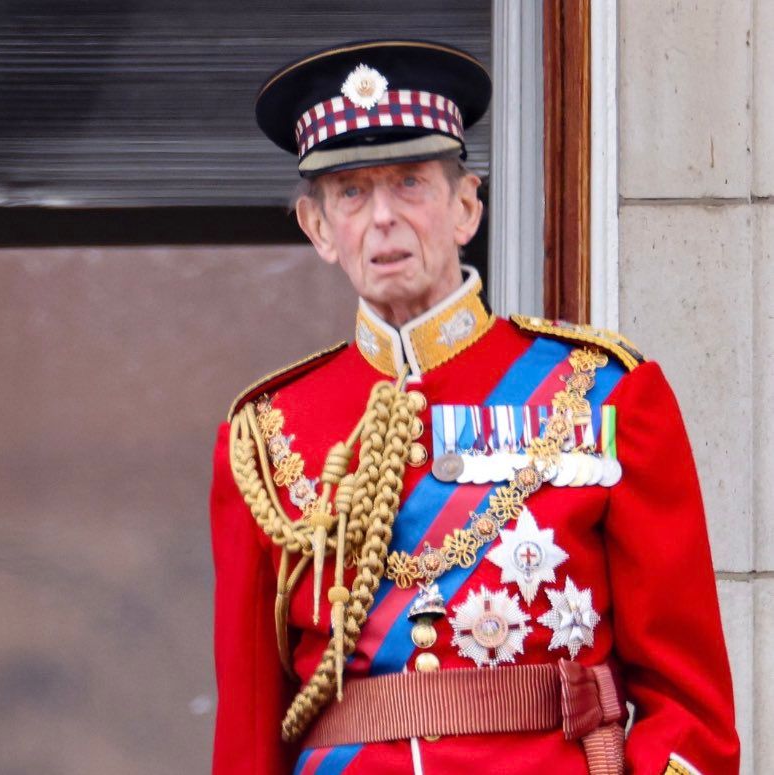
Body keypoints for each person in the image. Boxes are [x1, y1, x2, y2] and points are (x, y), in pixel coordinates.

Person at [210, 40, 740, 775]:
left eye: (410, 183)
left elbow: (690, 709)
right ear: (319, 228)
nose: (384, 217)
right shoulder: (268, 434)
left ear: (465, 207)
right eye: (351, 192)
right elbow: (248, 734)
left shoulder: (604, 391)